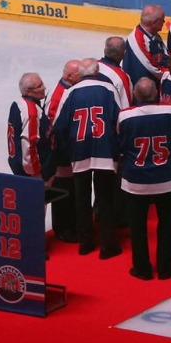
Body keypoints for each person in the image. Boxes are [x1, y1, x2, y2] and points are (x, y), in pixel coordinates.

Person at [53, 57, 122, 258]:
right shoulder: (109, 89)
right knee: (105, 199)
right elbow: (120, 120)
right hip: (105, 152)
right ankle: (108, 245)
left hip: (79, 152)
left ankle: (85, 242)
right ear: (97, 71)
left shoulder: (70, 92)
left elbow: (59, 127)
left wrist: (69, 149)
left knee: (81, 199)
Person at [117, 77, 171, 280]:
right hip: (166, 179)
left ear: (135, 94)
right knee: (166, 225)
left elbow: (121, 145)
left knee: (138, 227)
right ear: (156, 93)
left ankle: (142, 268)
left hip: (136, 181)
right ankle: (165, 268)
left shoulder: (124, 116)